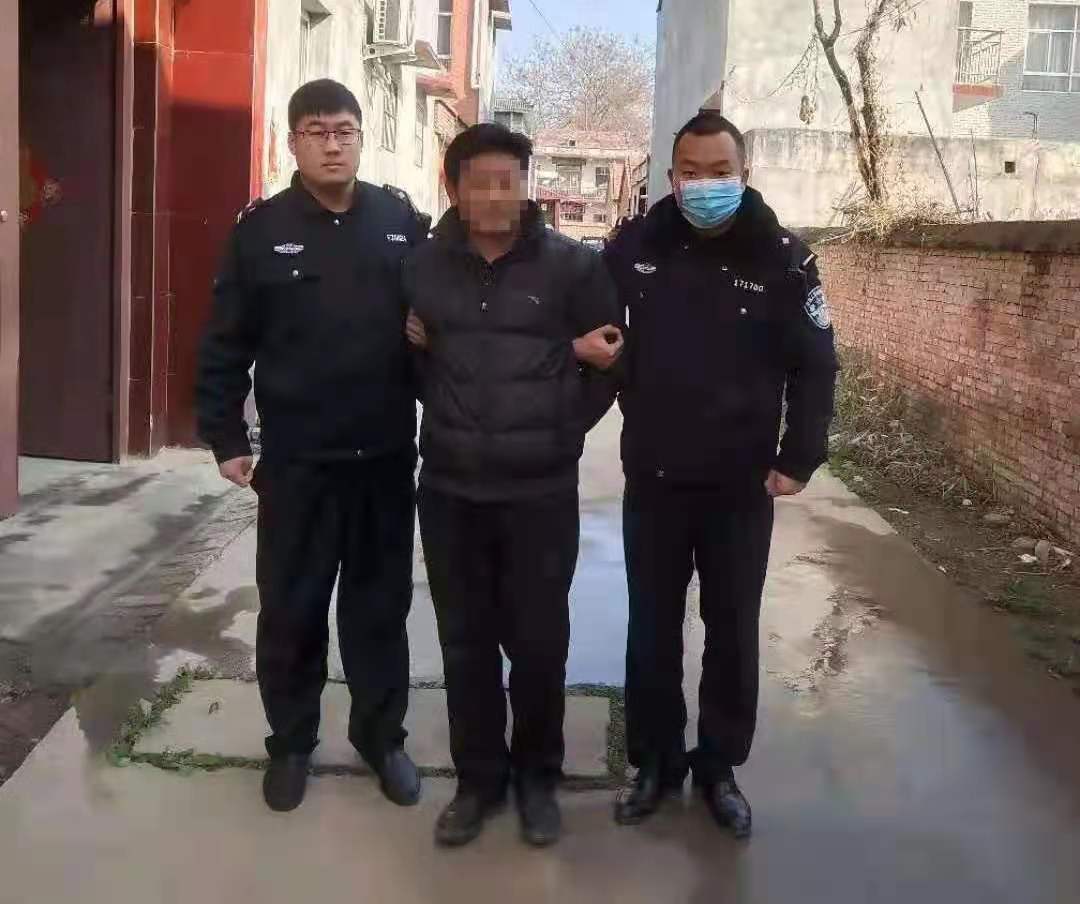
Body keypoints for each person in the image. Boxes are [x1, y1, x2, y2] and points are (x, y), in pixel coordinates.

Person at [603, 112, 838, 839]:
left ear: (743, 173)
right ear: (672, 177)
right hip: (655, 477)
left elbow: (816, 364)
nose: (705, 184)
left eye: (719, 171)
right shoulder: (633, 248)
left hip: (740, 486)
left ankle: (719, 767)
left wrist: (798, 456)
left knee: (731, 628)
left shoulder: (784, 257)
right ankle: (654, 761)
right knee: (651, 628)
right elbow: (588, 330)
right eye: (691, 172)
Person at [196, 79, 427, 813]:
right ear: (292, 141)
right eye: (317, 132)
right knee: (292, 611)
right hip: (298, 462)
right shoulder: (260, 230)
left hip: (384, 457)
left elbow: (437, 318)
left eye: (345, 131)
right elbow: (225, 342)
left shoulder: (399, 220)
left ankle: (381, 738)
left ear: (361, 138)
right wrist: (225, 436)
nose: (332, 144)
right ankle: (292, 742)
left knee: (379, 610)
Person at [404, 123, 623, 848]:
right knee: (464, 643)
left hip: (539, 495)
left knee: (538, 643)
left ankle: (537, 779)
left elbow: (610, 362)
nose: (499, 196)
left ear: (527, 186)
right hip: (451, 492)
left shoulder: (573, 266)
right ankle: (478, 781)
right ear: (454, 188)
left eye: (511, 181)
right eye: (482, 182)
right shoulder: (424, 267)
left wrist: (559, 428)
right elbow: (413, 365)